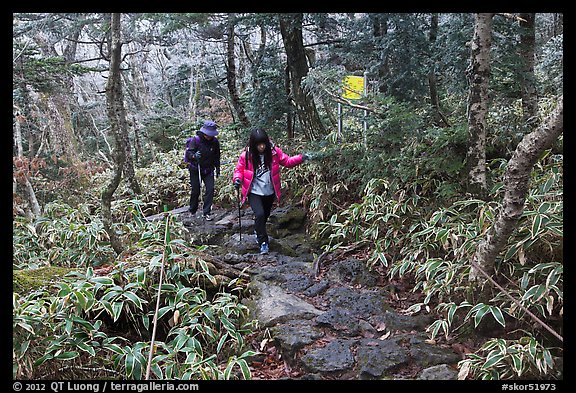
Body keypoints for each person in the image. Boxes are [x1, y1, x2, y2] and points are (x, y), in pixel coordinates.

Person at [233, 128, 310, 254]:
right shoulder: (246, 155)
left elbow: (287, 161)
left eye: (263, 144)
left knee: (265, 216)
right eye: (258, 144)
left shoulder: (274, 152)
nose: (262, 147)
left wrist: (301, 158)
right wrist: (237, 179)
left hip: (269, 191)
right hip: (254, 191)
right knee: (260, 214)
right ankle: (263, 242)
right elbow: (239, 170)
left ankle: (258, 229)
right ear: (253, 144)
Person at [184, 120, 221, 221]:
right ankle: (192, 210)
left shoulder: (215, 142)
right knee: (196, 190)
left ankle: (207, 212)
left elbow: (217, 156)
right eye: (208, 134)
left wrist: (218, 168)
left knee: (210, 189)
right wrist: (194, 156)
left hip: (209, 169)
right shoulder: (195, 140)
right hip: (196, 169)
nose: (209, 136)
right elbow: (189, 153)